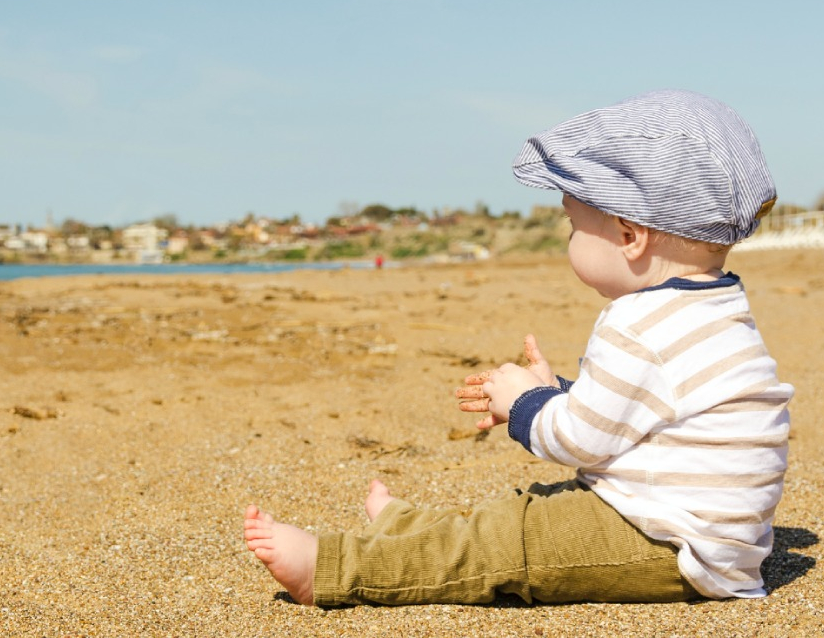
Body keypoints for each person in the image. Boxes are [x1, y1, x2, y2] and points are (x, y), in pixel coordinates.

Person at [243, 89, 794, 606]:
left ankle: (334, 569)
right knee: (527, 509)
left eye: (575, 226)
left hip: (669, 545)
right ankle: (407, 529)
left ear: (630, 235)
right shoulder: (717, 307)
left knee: (510, 541)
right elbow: (642, 414)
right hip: (708, 537)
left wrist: (524, 406)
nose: (570, 238)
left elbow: (581, 442)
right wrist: (558, 392)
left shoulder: (637, 322)